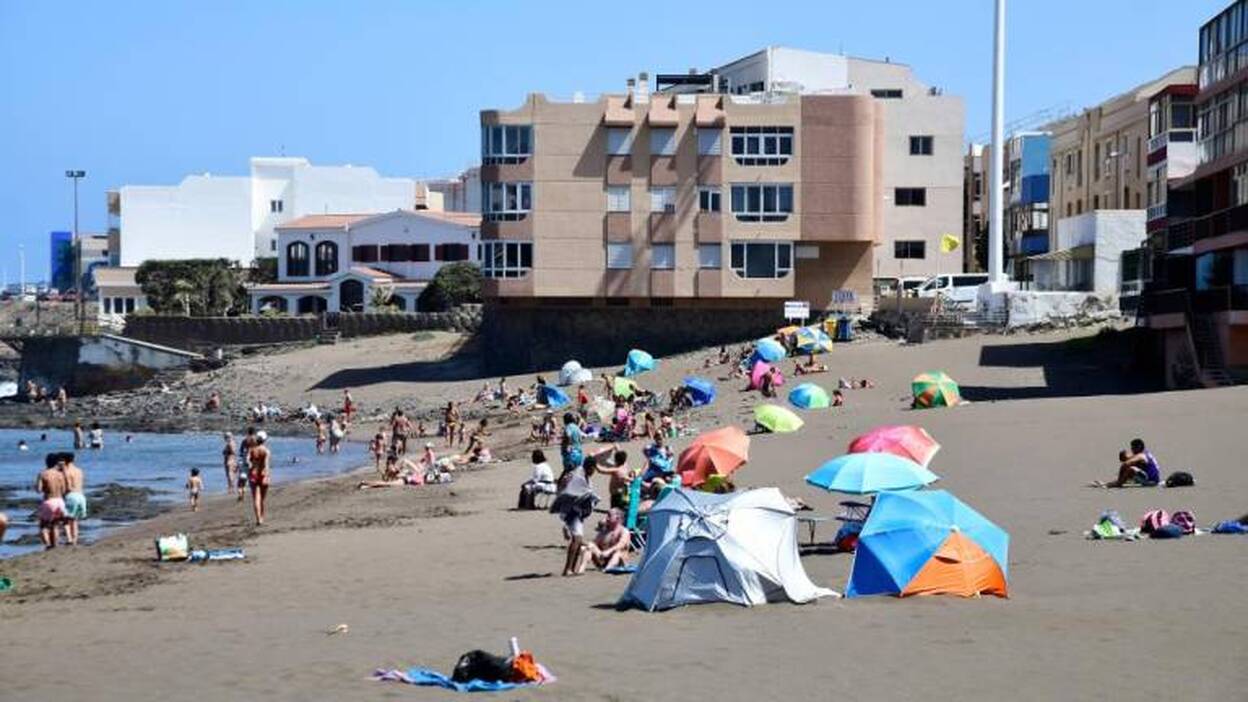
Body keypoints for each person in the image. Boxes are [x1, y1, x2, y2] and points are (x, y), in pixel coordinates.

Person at [553, 454, 599, 577]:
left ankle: (571, 568)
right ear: (590, 467)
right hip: (572, 512)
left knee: (577, 541)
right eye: (594, 469)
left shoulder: (585, 477)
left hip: (578, 513)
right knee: (576, 540)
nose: (594, 471)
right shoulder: (579, 477)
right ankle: (567, 569)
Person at [577, 508, 631, 573]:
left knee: (618, 552)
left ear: (617, 518)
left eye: (609, 516)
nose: (607, 518)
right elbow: (594, 543)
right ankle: (581, 570)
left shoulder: (624, 531)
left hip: (619, 561)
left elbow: (620, 545)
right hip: (603, 560)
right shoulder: (604, 532)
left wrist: (608, 551)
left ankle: (607, 569)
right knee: (589, 546)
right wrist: (581, 543)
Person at [1095, 439, 1162, 488]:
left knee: (1131, 469)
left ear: (1138, 447)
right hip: (1153, 479)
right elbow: (1126, 458)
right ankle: (1114, 482)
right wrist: (1123, 455)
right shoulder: (1144, 453)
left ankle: (1116, 484)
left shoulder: (1141, 456)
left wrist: (1119, 480)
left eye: (1132, 448)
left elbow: (1125, 464)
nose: (1131, 450)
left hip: (1151, 482)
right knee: (1133, 466)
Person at [35, 453, 67, 550]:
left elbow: (38, 490)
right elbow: (64, 489)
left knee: (43, 526)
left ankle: (48, 544)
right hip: (60, 501)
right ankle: (55, 545)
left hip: (49, 501)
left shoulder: (43, 474)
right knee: (55, 525)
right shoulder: (60, 474)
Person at [60, 452, 86, 545]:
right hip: (81, 496)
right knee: (75, 520)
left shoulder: (66, 471)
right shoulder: (79, 470)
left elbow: (68, 486)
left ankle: (70, 539)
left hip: (71, 495)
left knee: (66, 519)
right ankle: (75, 539)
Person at [248, 430, 272, 525]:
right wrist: (267, 475)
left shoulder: (252, 450)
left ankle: (258, 519)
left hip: (253, 474)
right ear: (265, 440)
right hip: (262, 474)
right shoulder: (266, 451)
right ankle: (261, 517)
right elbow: (266, 464)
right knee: (262, 499)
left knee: (256, 498)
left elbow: (248, 462)